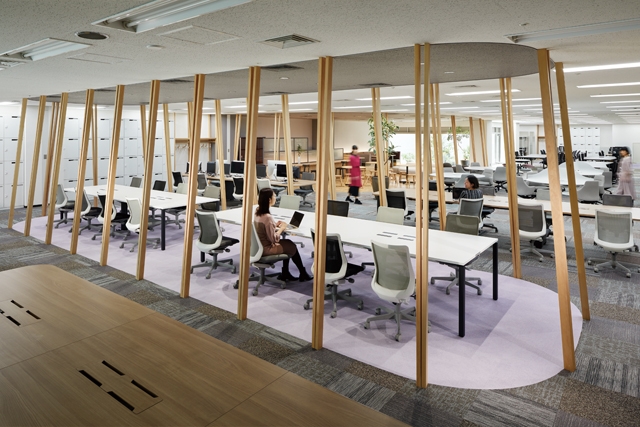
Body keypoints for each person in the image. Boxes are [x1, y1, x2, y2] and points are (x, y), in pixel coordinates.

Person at [254, 188, 312, 282]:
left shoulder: (258, 212)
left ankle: (287, 272)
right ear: (269, 199)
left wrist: (274, 225)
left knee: (287, 243)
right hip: (267, 249)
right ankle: (302, 273)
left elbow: (264, 229)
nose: (275, 197)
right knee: (291, 245)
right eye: (274, 196)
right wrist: (282, 228)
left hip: (258, 246)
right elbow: (274, 239)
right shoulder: (267, 217)